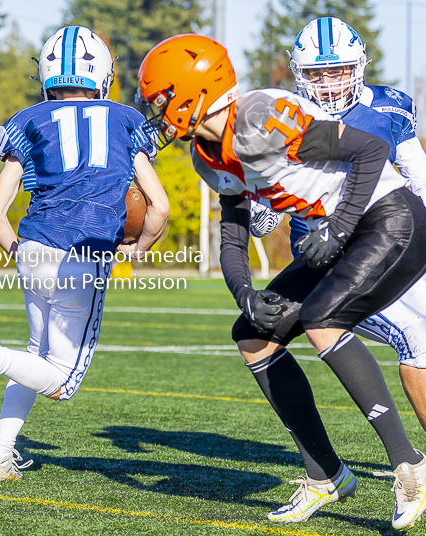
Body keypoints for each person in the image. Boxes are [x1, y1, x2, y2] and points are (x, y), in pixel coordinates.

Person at [137, 34, 426, 529]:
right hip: (343, 233)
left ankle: (410, 467)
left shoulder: (259, 118)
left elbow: (371, 149)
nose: (156, 113)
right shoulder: (207, 154)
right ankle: (326, 475)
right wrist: (244, 293)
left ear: (192, 93)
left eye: (161, 100)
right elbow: (234, 232)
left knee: (321, 319)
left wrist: (337, 227)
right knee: (252, 336)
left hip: (388, 218)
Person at [0, 26, 170, 483]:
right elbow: (158, 206)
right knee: (61, 382)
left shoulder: (28, 120)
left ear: (45, 73)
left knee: (36, 354)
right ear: (102, 73)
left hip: (33, 245)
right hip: (83, 256)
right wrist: (138, 247)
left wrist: (22, 255)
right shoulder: (124, 120)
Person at [249, 17, 426, 436]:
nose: (328, 82)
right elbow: (261, 219)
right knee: (418, 340)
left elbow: (418, 180)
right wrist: (262, 205)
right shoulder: (282, 119)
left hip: (392, 246)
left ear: (359, 66)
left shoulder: (388, 107)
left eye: (339, 70)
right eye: (316, 73)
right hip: (330, 263)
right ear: (299, 75)